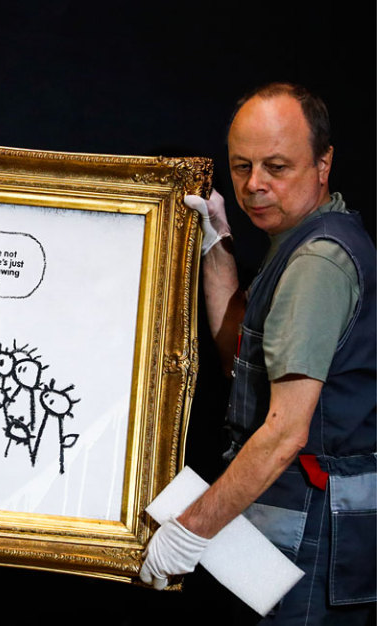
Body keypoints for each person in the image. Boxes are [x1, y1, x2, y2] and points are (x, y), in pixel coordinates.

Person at [140, 83, 375, 623]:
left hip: (310, 536)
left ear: (323, 163)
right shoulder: (298, 240)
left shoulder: (317, 264)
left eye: (276, 167)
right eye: (241, 166)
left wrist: (191, 530)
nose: (254, 185)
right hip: (285, 531)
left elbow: (284, 433)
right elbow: (238, 360)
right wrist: (217, 243)